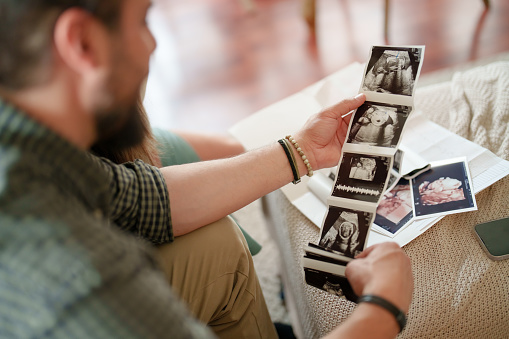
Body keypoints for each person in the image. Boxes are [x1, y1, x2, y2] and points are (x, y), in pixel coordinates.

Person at [0, 1, 413, 339]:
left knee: (216, 245)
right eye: (143, 19)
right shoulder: (79, 285)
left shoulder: (32, 148)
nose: (152, 45)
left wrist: (301, 150)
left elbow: (140, 198)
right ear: (81, 42)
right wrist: (384, 307)